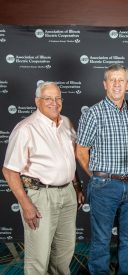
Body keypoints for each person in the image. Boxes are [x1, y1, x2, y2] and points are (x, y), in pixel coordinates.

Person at [2, 82, 84, 275]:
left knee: (63, 253)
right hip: (40, 197)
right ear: (37, 101)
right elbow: (9, 171)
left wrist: (78, 187)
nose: (54, 103)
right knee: (38, 257)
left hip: (68, 194)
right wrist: (26, 204)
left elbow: (69, 161)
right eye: (48, 98)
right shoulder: (26, 128)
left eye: (57, 98)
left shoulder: (66, 122)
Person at [75, 64, 128, 275]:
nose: (117, 84)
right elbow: (81, 151)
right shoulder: (93, 114)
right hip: (105, 185)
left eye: (121, 80)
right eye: (113, 80)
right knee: (102, 239)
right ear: (105, 84)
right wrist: (97, 177)